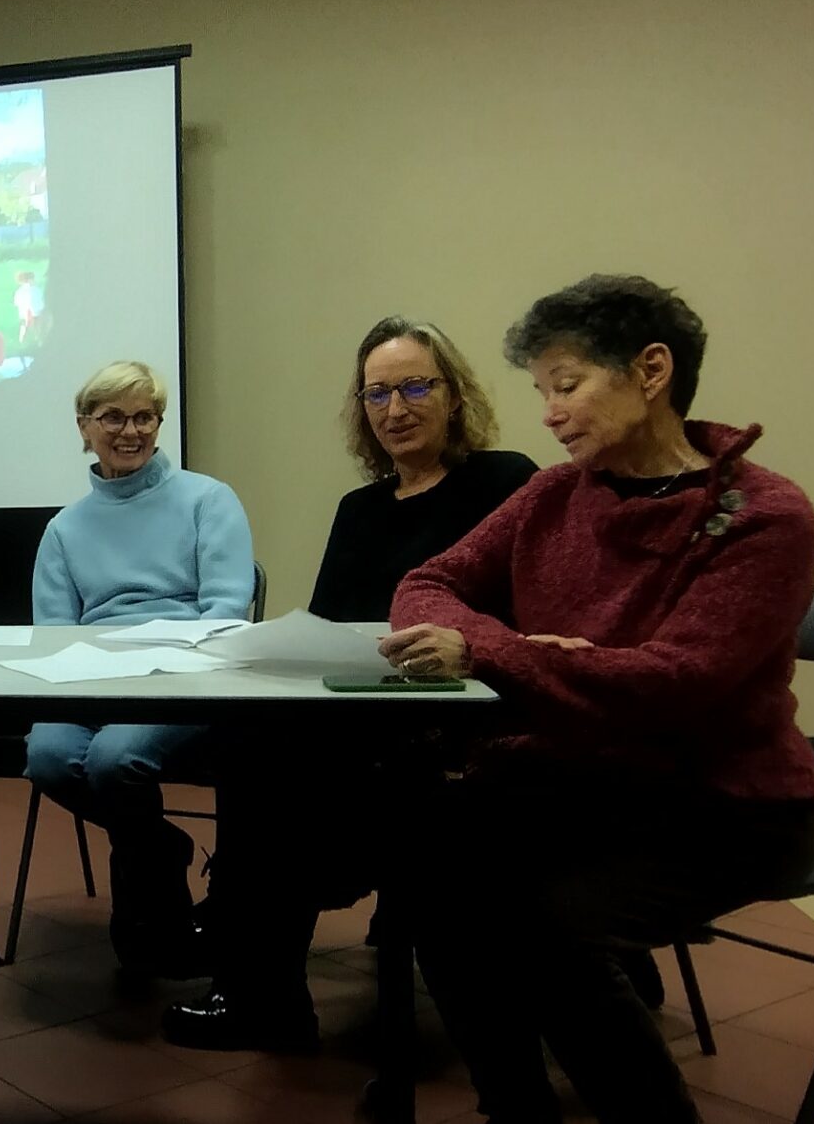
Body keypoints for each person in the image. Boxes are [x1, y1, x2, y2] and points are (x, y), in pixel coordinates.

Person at [385, 276, 814, 1124]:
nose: (550, 413)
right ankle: (516, 1107)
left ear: (651, 370)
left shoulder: (763, 516)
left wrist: (492, 652)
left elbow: (676, 681)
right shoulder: (555, 494)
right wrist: (540, 656)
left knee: (546, 927)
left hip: (725, 805)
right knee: (431, 868)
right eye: (542, 390)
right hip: (582, 778)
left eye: (567, 384)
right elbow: (427, 583)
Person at [164, 319, 536, 1051]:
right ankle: (258, 973)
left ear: (454, 395)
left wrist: (468, 649)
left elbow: (536, 614)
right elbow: (328, 627)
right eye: (376, 394)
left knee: (278, 777)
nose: (395, 409)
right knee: (250, 743)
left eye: (415, 387)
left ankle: (248, 955)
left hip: (468, 715)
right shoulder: (359, 509)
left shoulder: (503, 482)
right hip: (367, 711)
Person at [26, 361, 254, 976]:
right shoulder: (64, 529)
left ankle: (153, 920)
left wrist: (160, 659)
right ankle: (159, 846)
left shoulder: (209, 499)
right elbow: (54, 636)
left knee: (113, 759)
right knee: (47, 757)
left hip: (185, 679)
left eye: (145, 417)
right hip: (93, 683)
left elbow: (226, 612)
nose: (131, 431)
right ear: (84, 426)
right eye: (113, 417)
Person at [14, 269, 47, 351]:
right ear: (29, 280)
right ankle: (40, 344)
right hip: (35, 313)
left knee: (24, 329)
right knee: (38, 330)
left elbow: (16, 303)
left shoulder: (19, 291)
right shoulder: (36, 290)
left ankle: (22, 344)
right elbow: (41, 303)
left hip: (23, 314)